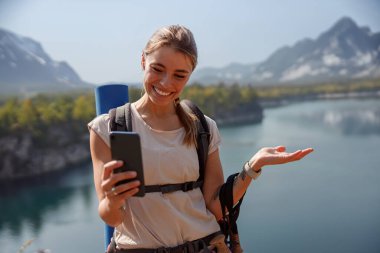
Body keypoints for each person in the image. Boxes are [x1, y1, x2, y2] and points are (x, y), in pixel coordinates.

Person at [88, 25, 313, 253]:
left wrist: (252, 167)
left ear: (190, 75)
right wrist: (112, 201)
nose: (166, 83)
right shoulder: (107, 128)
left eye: (179, 75)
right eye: (158, 69)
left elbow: (216, 207)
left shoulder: (203, 128)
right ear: (143, 61)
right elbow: (111, 218)